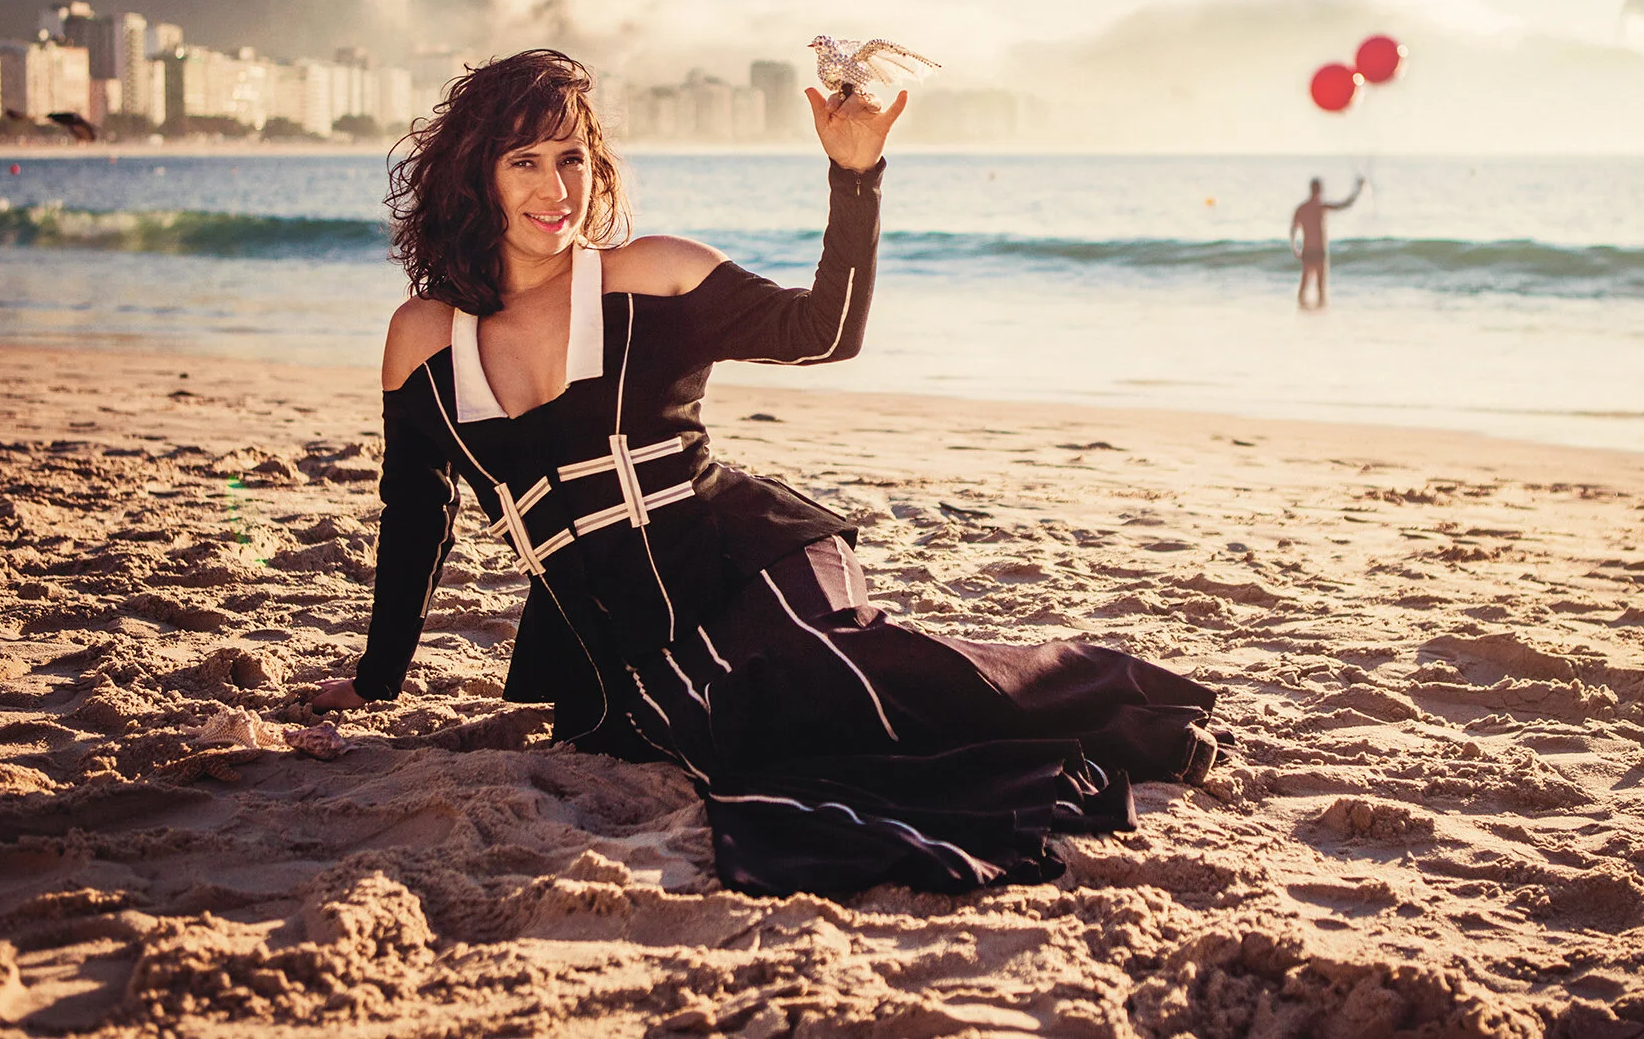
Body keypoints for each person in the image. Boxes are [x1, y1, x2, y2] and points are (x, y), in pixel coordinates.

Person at [311, 49, 1217, 896]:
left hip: (749, 559)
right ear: (477, 176)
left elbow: (826, 331)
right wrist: (377, 678)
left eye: (574, 158)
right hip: (621, 645)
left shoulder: (651, 275)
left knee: (831, 676)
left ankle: (1128, 709)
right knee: (748, 745)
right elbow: (414, 513)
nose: (559, 189)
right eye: (525, 162)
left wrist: (853, 176)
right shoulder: (425, 338)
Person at [1290, 175, 1364, 310]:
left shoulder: (1302, 208)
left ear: (1311, 189)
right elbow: (1344, 205)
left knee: (1304, 284)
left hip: (1307, 250)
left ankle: (1301, 310)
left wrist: (1295, 248)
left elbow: (1293, 230)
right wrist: (1357, 190)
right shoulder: (1320, 207)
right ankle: (1319, 314)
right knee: (1320, 287)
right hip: (1319, 251)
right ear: (1320, 190)